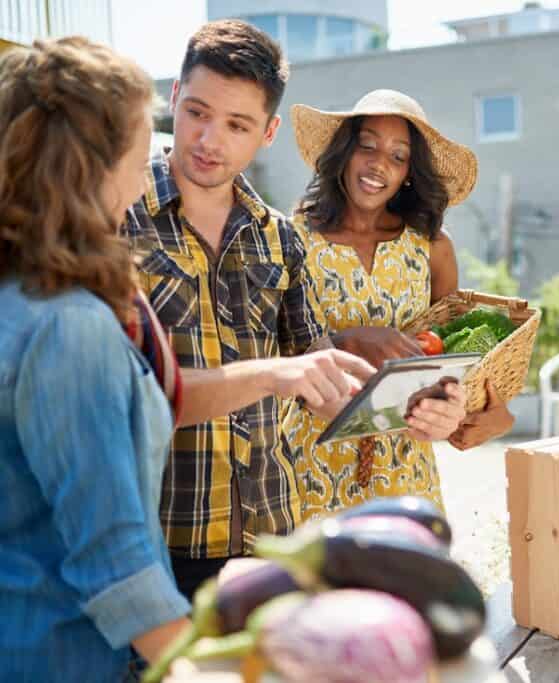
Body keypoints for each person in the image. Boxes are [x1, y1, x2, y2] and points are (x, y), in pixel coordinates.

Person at [125, 21, 461, 600]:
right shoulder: (119, 218)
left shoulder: (278, 239)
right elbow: (120, 396)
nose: (210, 140)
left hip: (273, 534)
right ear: (174, 99)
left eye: (237, 125)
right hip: (155, 538)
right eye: (198, 113)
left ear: (268, 132)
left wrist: (423, 404)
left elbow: (318, 375)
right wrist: (284, 371)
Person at [0, 37, 194, 681]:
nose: (143, 188)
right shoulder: (68, 327)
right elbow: (116, 562)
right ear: (90, 171)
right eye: (140, 162)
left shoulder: (15, 299)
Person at [283, 89, 515, 520]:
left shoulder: (431, 249)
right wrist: (348, 341)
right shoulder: (290, 240)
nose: (378, 164)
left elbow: (453, 359)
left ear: (409, 172)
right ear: (344, 152)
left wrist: (491, 413)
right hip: (308, 470)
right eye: (366, 145)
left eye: (397, 156)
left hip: (406, 474)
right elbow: (268, 355)